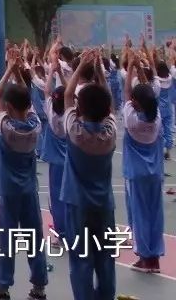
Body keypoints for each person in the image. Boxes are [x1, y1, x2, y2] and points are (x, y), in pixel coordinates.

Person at [0, 49, 47, 300]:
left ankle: (3, 287)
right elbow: (26, 102)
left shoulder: (6, 128)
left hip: (9, 191)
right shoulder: (35, 126)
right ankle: (39, 287)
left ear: (8, 107)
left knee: (6, 240)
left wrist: (11, 68)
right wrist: (20, 73)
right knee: (35, 239)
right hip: (29, 189)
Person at [61, 48, 117, 300]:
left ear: (80, 109)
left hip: (77, 202)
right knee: (105, 257)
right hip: (104, 202)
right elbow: (110, 104)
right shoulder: (110, 133)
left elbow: (67, 95)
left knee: (81, 257)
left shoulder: (76, 132)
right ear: (106, 111)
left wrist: (80, 65)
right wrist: (98, 71)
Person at [121, 50, 164, 274]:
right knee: (155, 215)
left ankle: (144, 258)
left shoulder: (132, 120)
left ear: (136, 103)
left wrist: (130, 69)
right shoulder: (155, 118)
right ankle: (154, 259)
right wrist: (139, 70)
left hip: (136, 175)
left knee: (139, 216)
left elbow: (128, 92)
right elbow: (148, 95)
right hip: (155, 174)